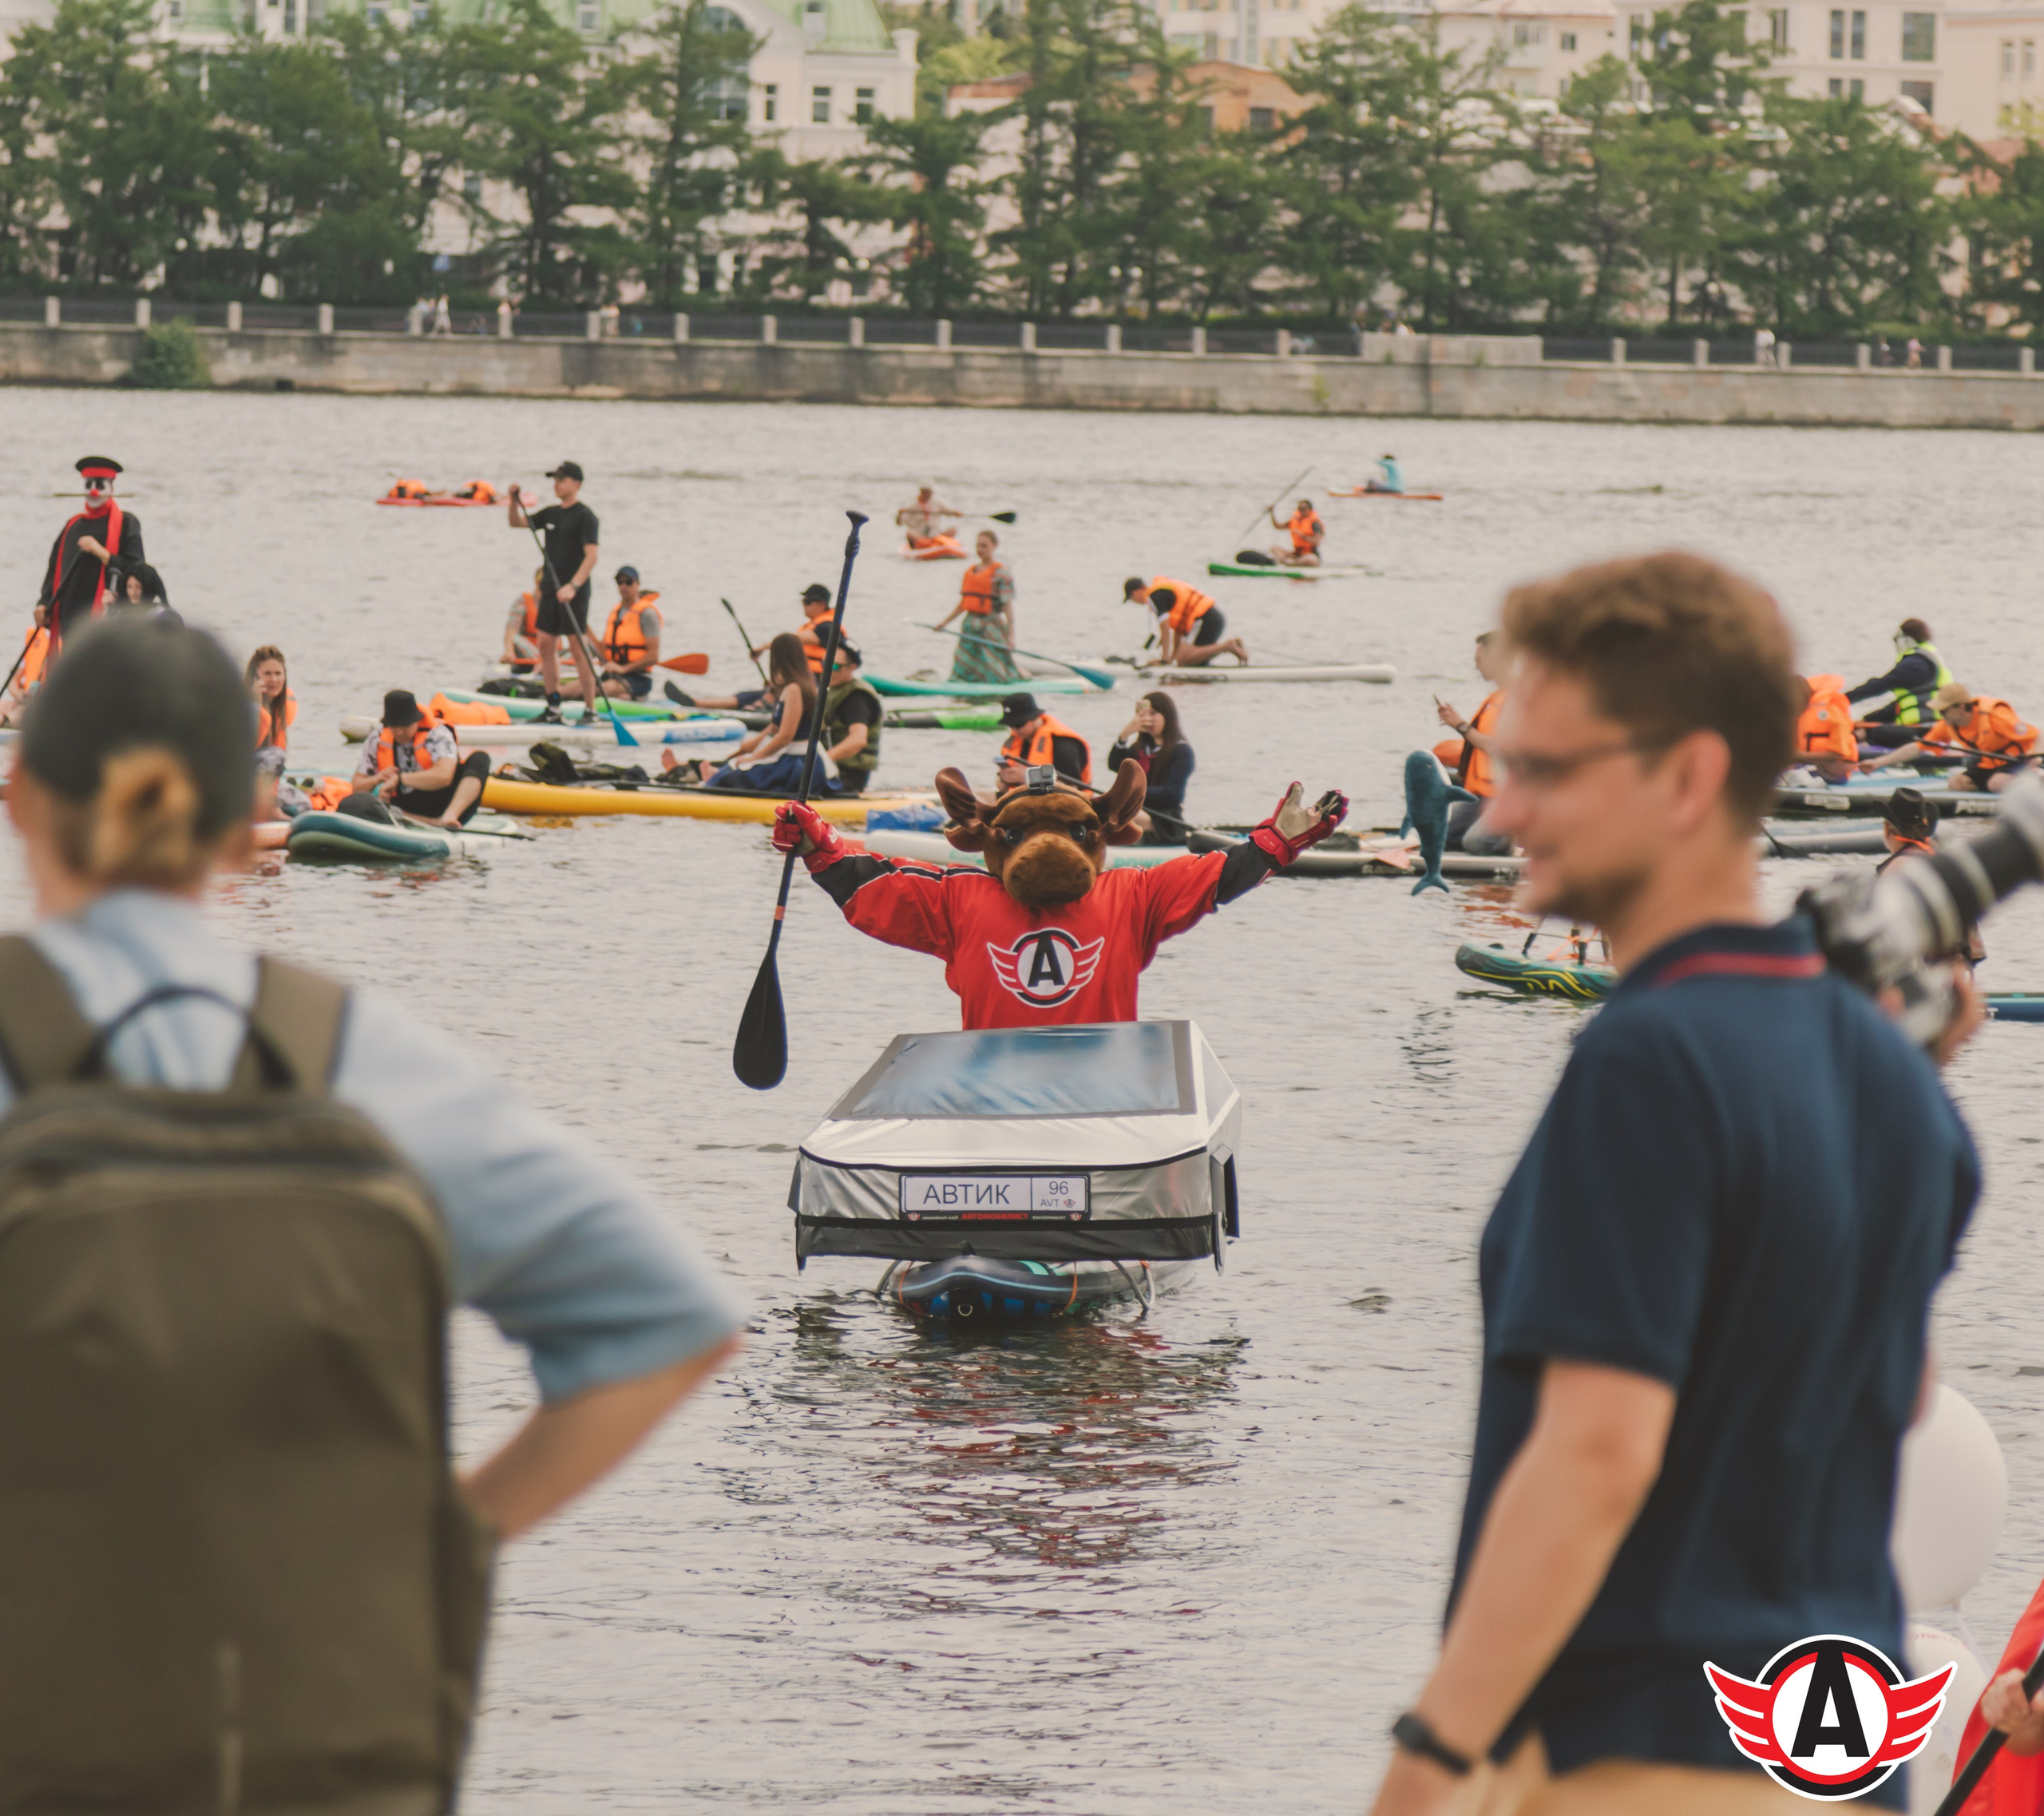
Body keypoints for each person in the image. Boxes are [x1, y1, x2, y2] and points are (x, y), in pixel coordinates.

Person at [0, 615, 741, 1807]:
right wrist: (441, 1545)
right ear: (243, 811)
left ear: (23, 798)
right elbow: (670, 1322)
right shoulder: (358, 1059)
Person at [1366, 552, 1979, 1816]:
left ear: (1689, 776)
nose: (1497, 811)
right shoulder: (1897, 1073)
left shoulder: (1650, 1053)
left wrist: (1431, 1760)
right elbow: (1891, 1390)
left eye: (1542, 770)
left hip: (1644, 1750)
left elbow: (1595, 1451)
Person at [766, 764, 1347, 1031]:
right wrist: (819, 842)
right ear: (992, 842)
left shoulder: (1135, 893)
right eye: (1018, 836)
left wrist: (1273, 844)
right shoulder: (959, 900)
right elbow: (871, 886)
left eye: (1073, 833)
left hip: (1099, 1104)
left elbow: (1219, 876)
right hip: (993, 1102)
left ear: (1097, 836)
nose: (1046, 849)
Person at [505, 461, 600, 724]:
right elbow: (517, 523)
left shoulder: (585, 517)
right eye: (555, 480)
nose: (556, 484)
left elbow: (592, 556)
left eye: (562, 480)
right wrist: (514, 501)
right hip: (550, 590)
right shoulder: (551, 514)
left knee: (578, 650)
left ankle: (590, 709)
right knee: (546, 646)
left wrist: (573, 586)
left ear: (576, 484)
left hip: (574, 592)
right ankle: (553, 707)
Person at [665, 635, 814, 789]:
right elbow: (775, 728)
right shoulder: (789, 688)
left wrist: (755, 758)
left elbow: (785, 736)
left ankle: (696, 773)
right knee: (734, 763)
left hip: (795, 763)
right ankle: (687, 769)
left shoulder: (794, 689)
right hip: (786, 756)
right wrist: (751, 747)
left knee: (729, 776)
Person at [347, 690, 493, 829]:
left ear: (417, 720)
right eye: (394, 726)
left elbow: (444, 777)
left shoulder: (437, 735)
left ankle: (448, 818)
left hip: (444, 801)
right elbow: (357, 786)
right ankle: (427, 822)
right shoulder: (377, 738)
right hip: (405, 807)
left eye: (405, 726)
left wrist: (399, 779)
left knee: (480, 758)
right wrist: (377, 779)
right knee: (356, 802)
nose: (399, 732)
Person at [41, 456, 144, 651]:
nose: (94, 491)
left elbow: (138, 572)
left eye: (100, 485)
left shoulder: (126, 523)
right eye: (89, 485)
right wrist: (43, 603)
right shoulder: (73, 525)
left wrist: (100, 552)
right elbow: (54, 569)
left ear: (111, 489)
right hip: (70, 621)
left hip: (110, 622)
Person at [1863, 679, 2039, 793]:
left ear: (1961, 707)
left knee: (1996, 782)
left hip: (2017, 763)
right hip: (1990, 766)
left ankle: (2035, 786)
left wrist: (2036, 758)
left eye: (1944, 710)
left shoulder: (1996, 715)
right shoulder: (1948, 725)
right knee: (1957, 784)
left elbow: (2038, 736)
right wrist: (1878, 763)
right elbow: (1917, 748)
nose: (1940, 715)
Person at [1432, 631, 1512, 857]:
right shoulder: (1495, 698)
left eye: (1479, 661)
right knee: (1445, 842)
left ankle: (1516, 834)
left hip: (1513, 794)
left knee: (1476, 843)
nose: (1476, 667)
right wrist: (1455, 723)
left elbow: (1500, 748)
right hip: (1485, 792)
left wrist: (1461, 726)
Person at [1847, 619, 1952, 750]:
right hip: (1932, 729)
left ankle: (1846, 752)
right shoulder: (1930, 659)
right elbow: (1898, 707)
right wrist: (1866, 720)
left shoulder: (1915, 665)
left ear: (1906, 640)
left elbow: (1877, 686)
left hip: (1923, 731)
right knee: (1865, 727)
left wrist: (1843, 700)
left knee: (1866, 733)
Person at [935, 531, 1024, 684]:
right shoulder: (972, 572)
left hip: (990, 627)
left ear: (994, 547)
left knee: (992, 666)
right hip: (970, 626)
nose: (980, 549)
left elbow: (1008, 606)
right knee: (963, 663)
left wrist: (1011, 635)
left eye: (984, 546)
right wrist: (944, 623)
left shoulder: (1002, 573)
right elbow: (963, 604)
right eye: (978, 545)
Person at [1107, 691, 1194, 843]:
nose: (1149, 719)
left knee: (1121, 815)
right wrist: (1125, 734)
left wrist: (1133, 793)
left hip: (1165, 817)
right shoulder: (1140, 748)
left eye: (1153, 713)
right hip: (1137, 808)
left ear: (1167, 715)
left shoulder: (1181, 751)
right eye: (1143, 715)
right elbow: (1115, 765)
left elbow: (1172, 793)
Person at [1123, 576, 1250, 668]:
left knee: (1185, 661)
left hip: (1204, 620)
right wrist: (1171, 661)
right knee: (1184, 658)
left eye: (1131, 598)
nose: (1135, 602)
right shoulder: (1160, 591)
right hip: (1213, 618)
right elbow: (1178, 633)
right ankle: (1235, 644)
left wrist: (1164, 660)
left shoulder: (1153, 597)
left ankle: (1227, 646)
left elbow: (1165, 629)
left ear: (1136, 592)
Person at [998, 693, 1091, 790]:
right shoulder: (1016, 741)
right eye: (1010, 725)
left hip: (1061, 802)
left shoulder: (1063, 744)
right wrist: (1004, 778)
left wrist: (1027, 778)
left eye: (1018, 724)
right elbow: (1001, 788)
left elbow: (1072, 789)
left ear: (1033, 717)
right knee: (980, 796)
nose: (1015, 730)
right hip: (1022, 799)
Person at [595, 567, 663, 699]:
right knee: (579, 689)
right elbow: (603, 649)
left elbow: (653, 656)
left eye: (628, 582)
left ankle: (633, 699)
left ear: (638, 584)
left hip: (639, 678)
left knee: (597, 691)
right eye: (620, 582)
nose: (624, 586)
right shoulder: (615, 613)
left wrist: (623, 669)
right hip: (612, 674)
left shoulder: (647, 614)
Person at [1788, 671, 1860, 782]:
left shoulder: (1833, 711)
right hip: (1806, 765)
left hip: (1833, 772)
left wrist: (1800, 756)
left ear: (1805, 692)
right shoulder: (1799, 713)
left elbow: (1838, 753)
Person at [248, 645, 294, 757]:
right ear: (254, 677)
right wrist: (255, 705)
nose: (274, 680)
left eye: (278, 673)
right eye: (267, 674)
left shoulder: (285, 705)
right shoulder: (241, 705)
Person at [503, 568, 545, 675]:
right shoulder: (524, 601)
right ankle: (539, 666)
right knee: (516, 638)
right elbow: (511, 630)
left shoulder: (561, 602)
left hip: (552, 652)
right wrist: (509, 651)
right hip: (530, 654)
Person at [896, 485, 961, 550]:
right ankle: (927, 544)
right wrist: (900, 515)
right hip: (919, 535)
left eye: (929, 492)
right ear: (921, 492)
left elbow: (949, 511)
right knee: (909, 533)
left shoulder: (937, 501)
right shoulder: (912, 504)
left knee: (953, 529)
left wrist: (956, 513)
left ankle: (935, 542)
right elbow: (900, 523)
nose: (928, 494)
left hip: (936, 534)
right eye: (925, 492)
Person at [1270, 497, 1323, 568]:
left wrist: (1303, 536)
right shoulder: (1294, 521)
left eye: (1303, 509)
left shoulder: (1315, 524)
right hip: (1296, 554)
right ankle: (1286, 562)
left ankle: (1290, 564)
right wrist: (1272, 512)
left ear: (1309, 510)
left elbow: (1316, 542)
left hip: (1309, 554)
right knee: (1274, 548)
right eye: (1299, 508)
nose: (1301, 511)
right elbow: (1278, 526)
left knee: (1311, 560)